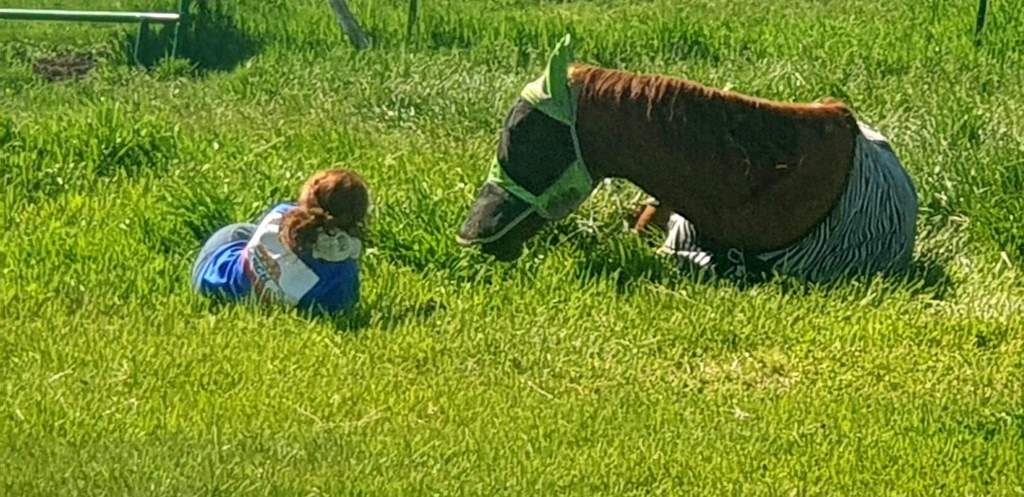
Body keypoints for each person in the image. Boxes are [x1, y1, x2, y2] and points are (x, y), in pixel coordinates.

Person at [190, 169, 368, 313]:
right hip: (259, 304)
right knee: (248, 232)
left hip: (210, 283)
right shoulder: (343, 272)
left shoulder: (282, 214)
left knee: (241, 230)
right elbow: (342, 307)